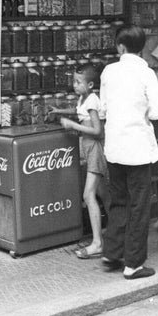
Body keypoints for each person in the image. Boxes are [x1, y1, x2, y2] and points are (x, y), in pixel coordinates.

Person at [99, 24, 158, 280]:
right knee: (139, 205)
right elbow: (156, 112)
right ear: (141, 47)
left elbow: (102, 110)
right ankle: (133, 264)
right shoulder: (147, 74)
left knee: (119, 200)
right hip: (138, 149)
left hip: (114, 147)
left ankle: (111, 252)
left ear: (120, 46)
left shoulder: (108, 72)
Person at [50, 64, 108, 259]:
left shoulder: (92, 100)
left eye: (78, 82)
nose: (74, 85)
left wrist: (72, 125)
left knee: (88, 195)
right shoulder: (84, 98)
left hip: (94, 149)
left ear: (90, 84)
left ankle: (98, 243)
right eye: (73, 81)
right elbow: (78, 110)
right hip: (88, 148)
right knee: (103, 194)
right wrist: (59, 111)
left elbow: (98, 131)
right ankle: (116, 231)